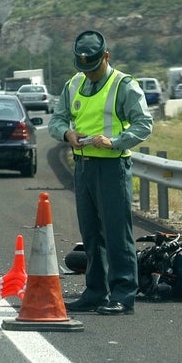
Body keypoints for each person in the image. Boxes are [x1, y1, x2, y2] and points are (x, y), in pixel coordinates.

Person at [49, 30, 153, 315]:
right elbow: (56, 120)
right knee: (91, 234)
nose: (90, 74)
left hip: (112, 167)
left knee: (117, 233)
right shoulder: (73, 85)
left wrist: (115, 142)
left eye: (93, 68)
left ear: (106, 57)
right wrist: (67, 133)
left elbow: (144, 124)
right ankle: (95, 292)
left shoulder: (124, 85)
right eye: (84, 68)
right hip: (83, 167)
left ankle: (123, 294)